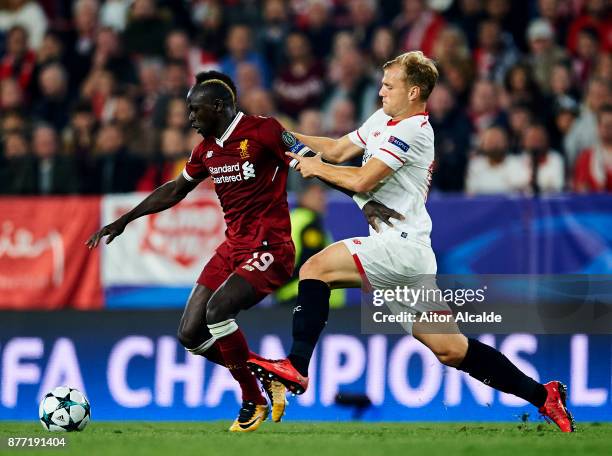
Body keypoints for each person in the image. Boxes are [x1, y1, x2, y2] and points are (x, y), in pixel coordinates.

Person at [248, 51, 575, 433]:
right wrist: (278, 135)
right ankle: (544, 395)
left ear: (414, 91)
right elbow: (336, 149)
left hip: (400, 249)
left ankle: (297, 368)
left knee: (314, 268)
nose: (382, 91)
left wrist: (316, 167)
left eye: (390, 86)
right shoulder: (385, 118)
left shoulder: (414, 130)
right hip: (408, 253)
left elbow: (360, 180)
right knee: (452, 350)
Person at [86, 70, 400, 432]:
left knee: (219, 311)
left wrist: (364, 203)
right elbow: (175, 189)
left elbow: (313, 163)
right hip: (233, 246)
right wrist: (126, 218)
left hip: (272, 245)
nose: (190, 118)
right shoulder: (206, 150)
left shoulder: (263, 131)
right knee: (190, 333)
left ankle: (252, 400)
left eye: (195, 110)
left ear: (218, 107)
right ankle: (268, 377)